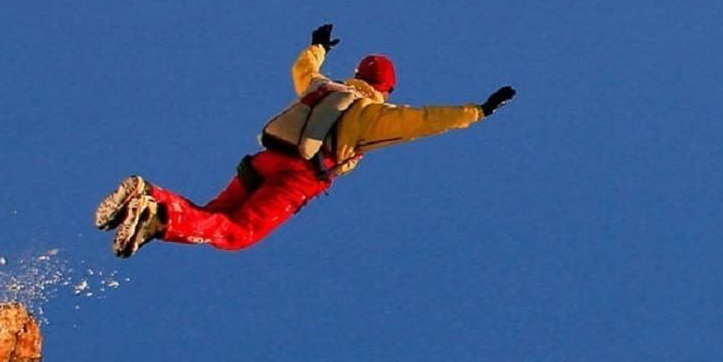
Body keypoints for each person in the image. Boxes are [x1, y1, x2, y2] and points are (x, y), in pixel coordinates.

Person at [95, 25, 514, 258]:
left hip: (262, 163)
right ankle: (155, 217)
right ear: (386, 87)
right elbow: (424, 120)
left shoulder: (324, 88)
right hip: (296, 178)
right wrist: (477, 111)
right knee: (237, 234)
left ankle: (153, 197)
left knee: (212, 214)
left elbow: (302, 68)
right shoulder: (373, 115)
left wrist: (317, 47)